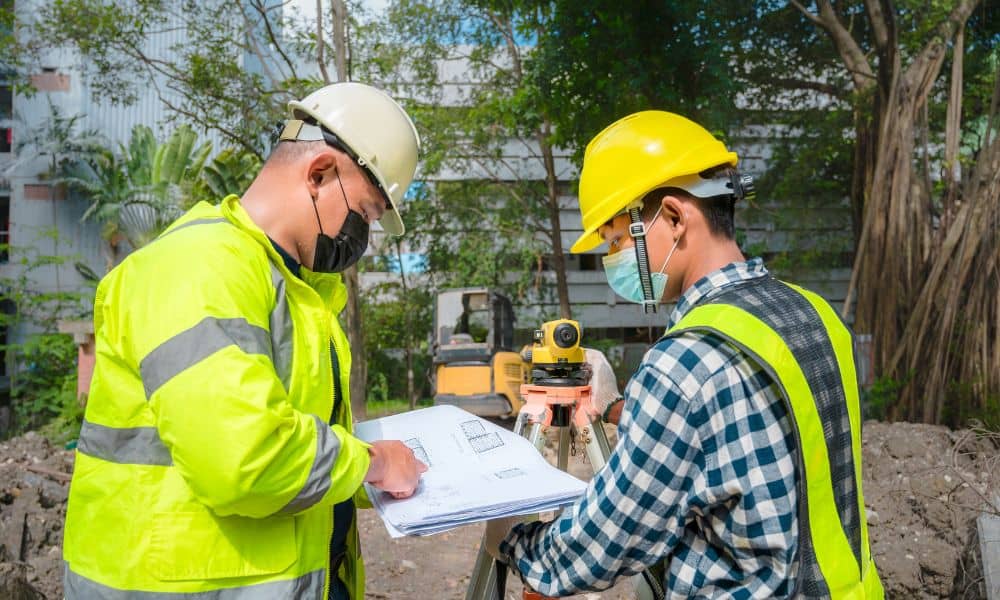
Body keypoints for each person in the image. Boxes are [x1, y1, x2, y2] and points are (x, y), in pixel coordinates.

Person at [486, 111, 883, 599]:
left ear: (674, 218)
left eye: (615, 240)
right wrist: (615, 409)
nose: (612, 259)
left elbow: (609, 539)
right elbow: (749, 449)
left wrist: (514, 541)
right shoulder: (816, 315)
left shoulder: (685, 362)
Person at [62, 82, 427, 600]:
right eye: (364, 213)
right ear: (320, 173)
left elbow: (298, 440)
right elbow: (247, 460)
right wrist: (375, 462)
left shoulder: (296, 292)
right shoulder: (198, 268)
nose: (362, 236)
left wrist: (368, 471)